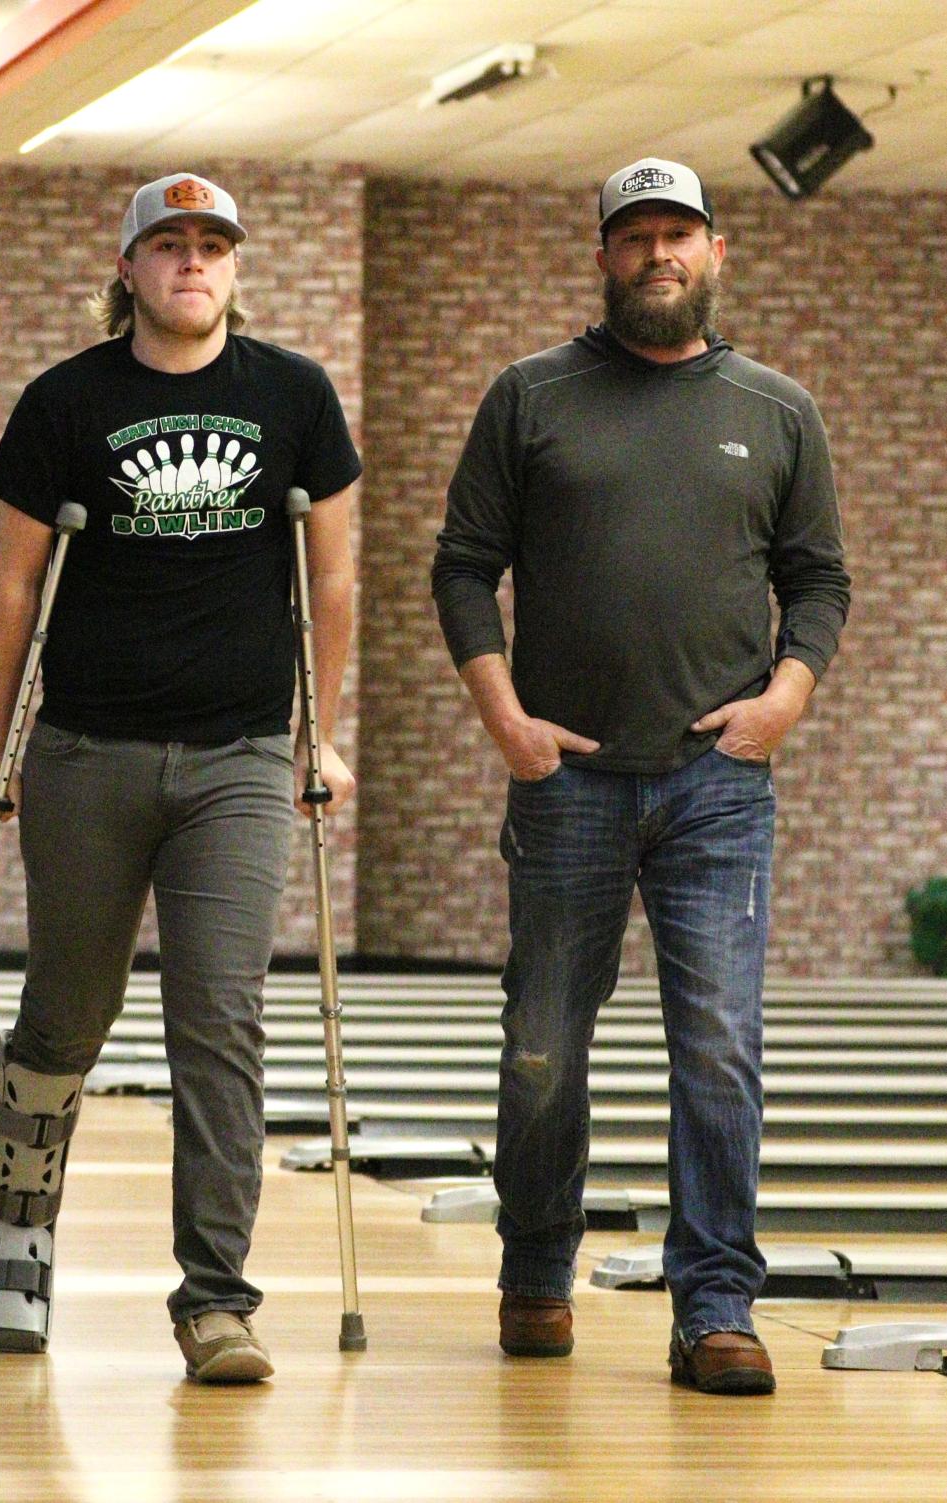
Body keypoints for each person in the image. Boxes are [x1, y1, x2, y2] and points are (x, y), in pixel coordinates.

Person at [432, 158, 850, 1396]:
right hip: (565, 777)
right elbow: (464, 566)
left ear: (717, 253)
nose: (657, 253)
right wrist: (503, 714)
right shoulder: (532, 395)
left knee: (718, 1043)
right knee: (546, 1040)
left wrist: (787, 695)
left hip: (718, 782)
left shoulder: (777, 410)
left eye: (679, 233)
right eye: (635, 237)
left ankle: (716, 1304)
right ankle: (536, 1272)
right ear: (603, 256)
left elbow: (818, 580)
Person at [0, 174, 361, 1383]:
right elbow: (14, 586)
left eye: (212, 247)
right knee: (66, 1016)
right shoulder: (66, 402)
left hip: (238, 758)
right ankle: (14, 1237)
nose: (193, 264)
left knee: (219, 1023)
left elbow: (330, 576)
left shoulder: (293, 396)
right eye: (169, 246)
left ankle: (217, 1300)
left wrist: (319, 734)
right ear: (128, 268)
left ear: (236, 268)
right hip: (86, 753)